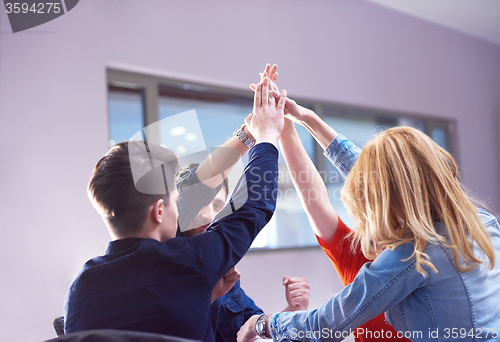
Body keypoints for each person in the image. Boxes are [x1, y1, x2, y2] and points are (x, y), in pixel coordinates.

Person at [239, 83, 499, 342]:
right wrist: (304, 120)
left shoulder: (412, 255)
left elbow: (325, 325)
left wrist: (263, 324)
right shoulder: (481, 223)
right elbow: (372, 182)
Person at [64, 77, 287, 342]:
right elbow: (254, 205)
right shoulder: (187, 263)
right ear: (159, 211)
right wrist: (268, 136)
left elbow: (195, 191)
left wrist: (247, 135)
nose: (181, 204)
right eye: (174, 198)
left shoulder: (82, 287)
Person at [177, 163, 310, 342]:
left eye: (217, 205)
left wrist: (291, 311)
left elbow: (255, 327)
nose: (209, 215)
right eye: (200, 203)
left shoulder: (224, 269)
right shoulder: (160, 261)